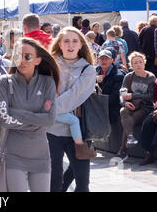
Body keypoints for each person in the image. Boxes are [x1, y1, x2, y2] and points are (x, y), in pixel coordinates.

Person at [0, 37, 58, 192]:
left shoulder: (48, 82)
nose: (22, 60)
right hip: (13, 155)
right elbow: (3, 119)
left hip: (41, 155)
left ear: (37, 60)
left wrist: (16, 113)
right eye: (18, 56)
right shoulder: (5, 81)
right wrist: (36, 121)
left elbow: (49, 120)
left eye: (28, 56)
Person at [48, 27, 96, 192]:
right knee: (53, 182)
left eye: (75, 41)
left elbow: (75, 96)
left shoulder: (88, 70)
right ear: (59, 44)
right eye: (66, 41)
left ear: (81, 45)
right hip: (51, 131)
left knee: (83, 183)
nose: (70, 45)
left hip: (78, 132)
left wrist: (48, 111)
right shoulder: (48, 65)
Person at [117, 52, 155, 159]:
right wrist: (125, 103)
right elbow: (122, 94)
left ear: (144, 63)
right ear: (131, 65)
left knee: (130, 121)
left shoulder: (151, 77)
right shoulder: (128, 77)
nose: (138, 65)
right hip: (131, 104)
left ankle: (123, 149)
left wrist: (133, 95)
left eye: (140, 62)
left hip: (145, 106)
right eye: (135, 63)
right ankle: (130, 137)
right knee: (123, 111)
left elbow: (151, 96)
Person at [96, 49, 126, 126]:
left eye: (106, 58)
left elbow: (115, 98)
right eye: (101, 58)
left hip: (112, 109)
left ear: (112, 60)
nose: (104, 61)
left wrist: (97, 101)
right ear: (98, 60)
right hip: (98, 107)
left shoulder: (119, 75)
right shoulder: (94, 72)